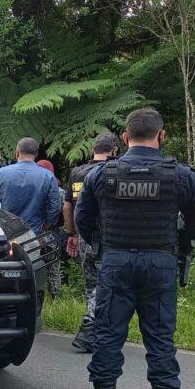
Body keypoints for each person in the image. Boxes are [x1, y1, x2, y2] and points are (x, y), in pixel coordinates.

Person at [75, 108, 195, 389]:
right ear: (161, 136)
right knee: (160, 337)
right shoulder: (182, 175)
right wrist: (182, 245)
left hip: (116, 261)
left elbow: (82, 219)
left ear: (125, 138)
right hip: (160, 262)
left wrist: (98, 243)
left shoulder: (101, 174)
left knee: (107, 334)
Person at [64, 133, 118, 353]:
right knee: (107, 285)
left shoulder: (76, 173)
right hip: (108, 236)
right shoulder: (113, 171)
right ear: (114, 150)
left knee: (91, 285)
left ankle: (94, 331)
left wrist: (72, 234)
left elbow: (68, 206)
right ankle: (92, 330)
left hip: (85, 236)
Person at [0, 137, 62, 236]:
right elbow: (55, 207)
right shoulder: (47, 176)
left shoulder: (0, 173)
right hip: (34, 233)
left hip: (7, 232)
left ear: (17, 152)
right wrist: (46, 226)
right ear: (36, 154)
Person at [36, 159, 64, 298]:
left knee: (33, 264)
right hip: (51, 232)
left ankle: (35, 294)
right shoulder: (60, 191)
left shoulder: (33, 188)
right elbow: (62, 209)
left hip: (32, 233)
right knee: (53, 266)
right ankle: (56, 295)